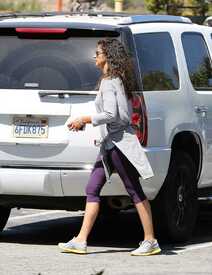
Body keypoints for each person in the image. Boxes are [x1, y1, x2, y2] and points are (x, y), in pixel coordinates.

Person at [58, 38, 161, 256]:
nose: (94, 56)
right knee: (92, 188)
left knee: (133, 190)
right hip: (110, 144)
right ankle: (81, 240)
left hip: (118, 145)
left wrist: (84, 119)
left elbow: (111, 115)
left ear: (107, 56)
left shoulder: (110, 82)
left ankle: (150, 240)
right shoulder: (114, 80)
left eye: (98, 53)